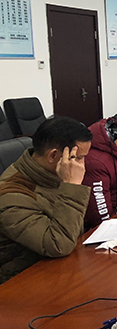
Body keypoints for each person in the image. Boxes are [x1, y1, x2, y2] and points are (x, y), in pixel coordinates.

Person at [0, 118, 93, 284]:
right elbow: (58, 245)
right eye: (79, 157)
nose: (82, 165)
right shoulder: (11, 196)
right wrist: (72, 186)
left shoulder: (52, 176)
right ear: (54, 155)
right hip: (22, 281)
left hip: (58, 267)